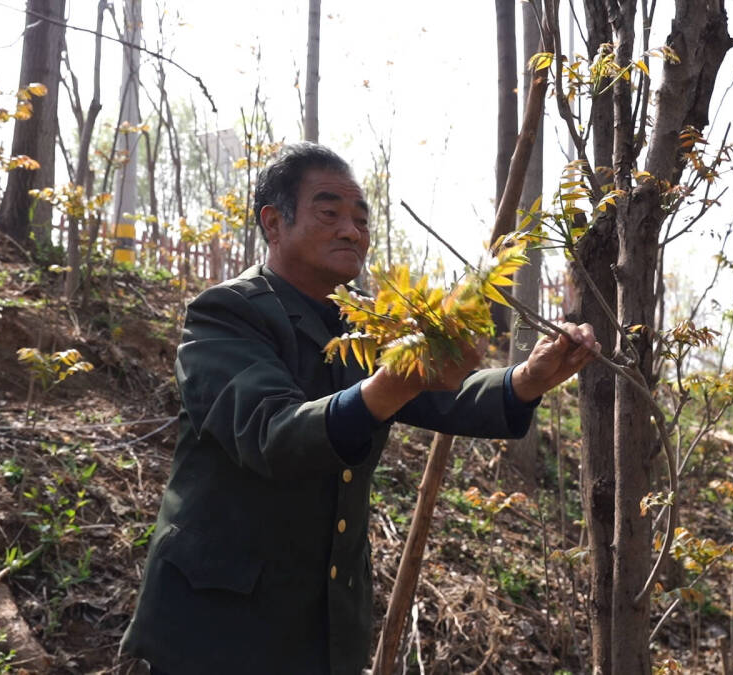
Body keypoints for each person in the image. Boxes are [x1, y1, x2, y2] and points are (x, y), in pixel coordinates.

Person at [119, 143, 598, 674]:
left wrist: (527, 379)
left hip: (319, 628)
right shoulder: (227, 313)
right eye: (330, 214)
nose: (352, 231)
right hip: (213, 627)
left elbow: (440, 395)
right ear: (274, 223)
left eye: (362, 220)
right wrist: (397, 380)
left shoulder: (363, 320)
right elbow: (272, 433)